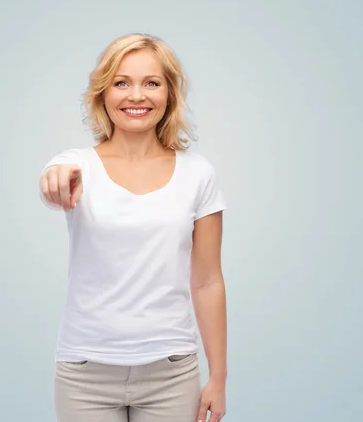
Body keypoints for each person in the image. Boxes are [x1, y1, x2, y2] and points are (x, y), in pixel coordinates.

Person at [39, 33, 227, 422]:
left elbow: (208, 280)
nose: (136, 95)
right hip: (84, 373)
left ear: (169, 94)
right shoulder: (76, 166)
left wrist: (219, 377)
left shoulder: (198, 174)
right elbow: (53, 183)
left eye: (151, 83)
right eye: (121, 82)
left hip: (172, 373)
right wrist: (55, 179)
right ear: (103, 94)